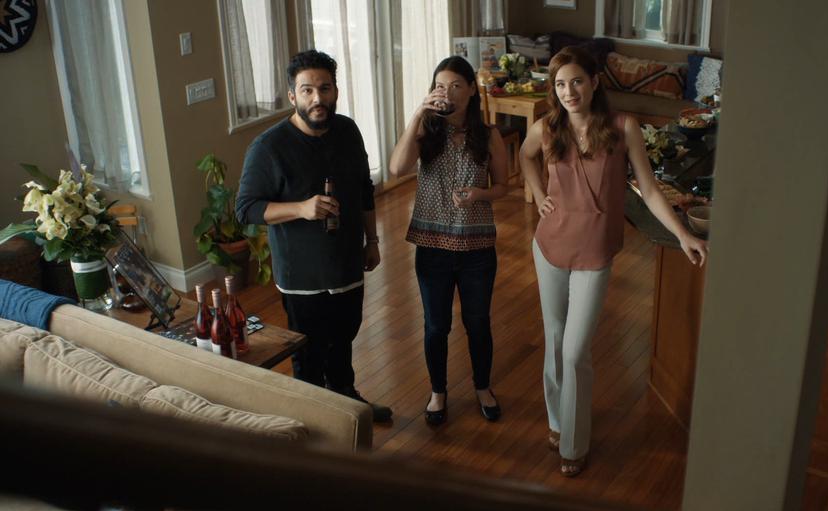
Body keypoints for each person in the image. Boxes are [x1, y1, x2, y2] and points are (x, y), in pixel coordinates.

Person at [519, 46, 708, 476]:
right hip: (548, 247)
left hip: (595, 253)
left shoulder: (623, 127)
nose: (569, 92)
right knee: (554, 339)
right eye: (560, 84)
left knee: (575, 351)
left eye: (577, 81)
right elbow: (526, 156)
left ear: (595, 81)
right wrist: (537, 191)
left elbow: (650, 188)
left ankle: (573, 443)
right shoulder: (547, 127)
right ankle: (556, 420)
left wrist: (683, 234)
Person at [235, 50, 392, 423]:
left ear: (336, 90)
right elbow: (246, 208)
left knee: (344, 340)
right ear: (292, 96)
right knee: (308, 353)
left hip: (348, 264)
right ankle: (310, 421)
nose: (317, 98)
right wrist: (301, 208)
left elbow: (364, 190)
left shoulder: (349, 131)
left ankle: (348, 405)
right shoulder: (269, 147)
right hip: (302, 276)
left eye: (324, 88)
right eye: (307, 90)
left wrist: (372, 241)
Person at [388, 56, 509, 425]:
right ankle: (438, 392)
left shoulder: (488, 135)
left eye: (457, 85)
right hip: (432, 246)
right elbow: (395, 168)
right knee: (436, 325)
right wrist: (415, 117)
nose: (448, 92)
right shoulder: (427, 131)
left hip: (477, 249)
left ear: (472, 89)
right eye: (441, 86)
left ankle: (483, 387)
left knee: (477, 322)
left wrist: (479, 195)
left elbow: (504, 186)